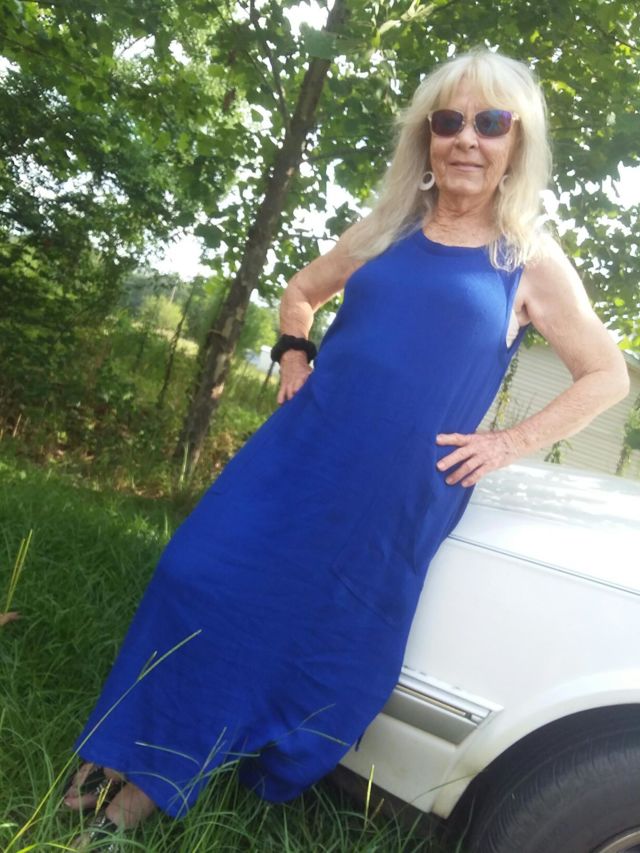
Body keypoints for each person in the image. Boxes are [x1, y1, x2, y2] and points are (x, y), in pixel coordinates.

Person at [63, 47, 630, 849]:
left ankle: (143, 792)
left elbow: (606, 375)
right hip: (300, 452)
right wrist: (295, 355)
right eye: (449, 120)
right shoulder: (387, 228)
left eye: (491, 122)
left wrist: (512, 442)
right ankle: (120, 750)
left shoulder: (527, 258)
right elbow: (301, 291)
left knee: (292, 634)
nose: (467, 138)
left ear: (516, 143)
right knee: (193, 578)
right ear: (427, 136)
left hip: (389, 495)